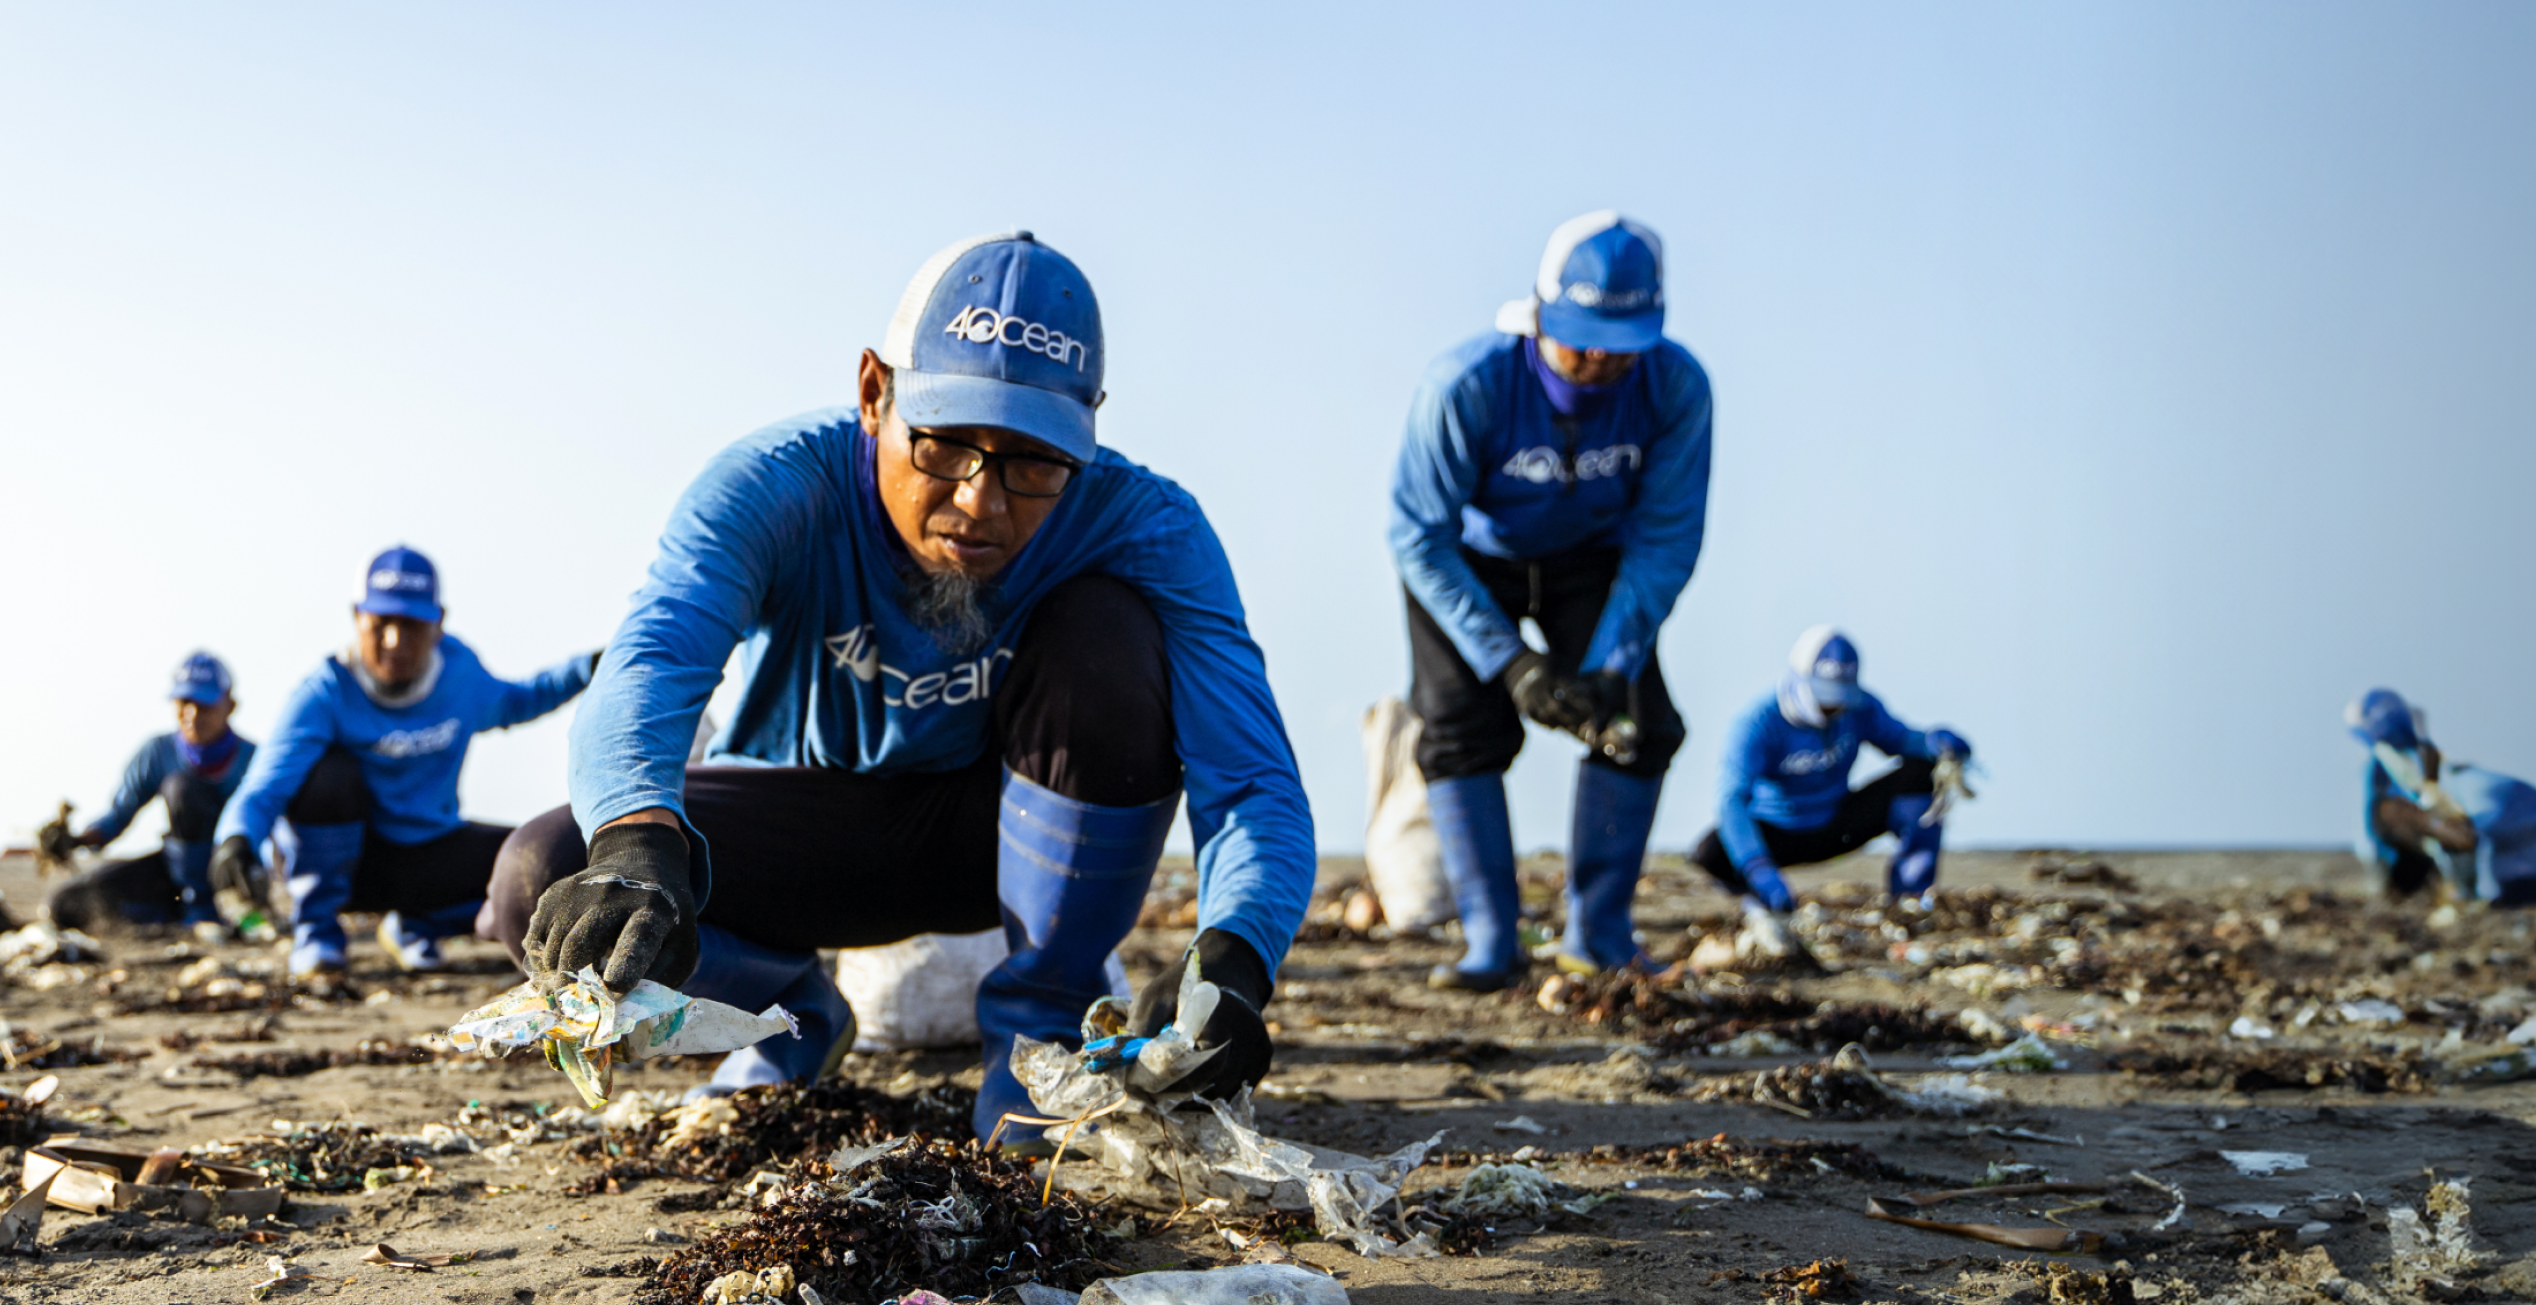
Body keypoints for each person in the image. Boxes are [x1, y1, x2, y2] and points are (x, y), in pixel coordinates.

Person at [482, 230, 1313, 1144]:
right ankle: (794, 1010)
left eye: (1033, 462)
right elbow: (653, 659)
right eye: (947, 444)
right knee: (542, 877)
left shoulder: (1146, 525)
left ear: (1090, 427)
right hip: (807, 831)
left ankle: (1040, 1028)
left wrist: (1236, 957)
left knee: (1110, 635)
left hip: (1001, 843)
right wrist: (637, 841)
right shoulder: (775, 485)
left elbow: (1252, 776)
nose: (980, 502)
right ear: (875, 393)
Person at [1390, 212, 1711, 989]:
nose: (1601, 361)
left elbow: (1665, 539)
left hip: (1591, 560)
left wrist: (1610, 663)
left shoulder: (1676, 387)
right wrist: (1512, 665)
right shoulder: (1464, 387)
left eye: (1621, 345)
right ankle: (1493, 943)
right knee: (1461, 733)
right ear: (1539, 317)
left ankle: (1596, 936)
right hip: (1467, 561)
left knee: (1638, 727)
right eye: (1582, 340)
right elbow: (1418, 535)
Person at [208, 552, 594, 976]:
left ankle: (416, 924)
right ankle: (316, 935)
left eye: (411, 624)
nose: (395, 640)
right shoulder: (323, 693)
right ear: (357, 618)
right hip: (348, 863)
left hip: (428, 850)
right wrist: (236, 839)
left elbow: (522, 700)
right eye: (381, 624)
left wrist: (590, 668)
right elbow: (264, 788)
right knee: (327, 776)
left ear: (438, 623)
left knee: (540, 862)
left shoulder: (460, 674)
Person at [1690, 628, 1970, 935]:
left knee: (1922, 774)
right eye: (1825, 696)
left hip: (1837, 824)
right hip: (1777, 831)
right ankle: (1759, 902)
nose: (1834, 706)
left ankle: (1911, 900)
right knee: (1710, 851)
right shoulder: (1756, 723)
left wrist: (1932, 742)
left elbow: (1899, 739)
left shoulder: (1859, 707)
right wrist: (1758, 867)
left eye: (1841, 696)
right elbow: (1732, 799)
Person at [45, 653, 253, 932]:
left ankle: (207, 909)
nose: (192, 714)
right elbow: (119, 814)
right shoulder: (158, 752)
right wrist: (76, 839)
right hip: (175, 871)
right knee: (67, 904)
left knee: (184, 789)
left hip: (233, 871)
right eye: (184, 703)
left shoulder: (255, 760)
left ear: (230, 704)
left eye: (204, 705)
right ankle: (178, 910)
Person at [2345, 688, 2536, 909]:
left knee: (2405, 818)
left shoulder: (2429, 784)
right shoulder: (2442, 775)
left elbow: (2465, 830)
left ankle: (2464, 891)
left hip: (2520, 874)